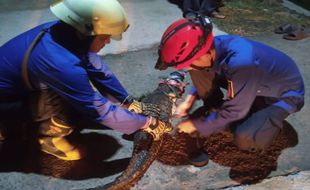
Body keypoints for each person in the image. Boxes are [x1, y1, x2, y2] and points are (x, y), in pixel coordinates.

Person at [0, 0, 170, 161]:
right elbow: (98, 109)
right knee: (69, 101)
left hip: (19, 87)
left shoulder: (64, 34)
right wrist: (147, 123)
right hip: (6, 101)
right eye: (104, 36)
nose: (108, 41)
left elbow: (99, 71)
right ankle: (48, 139)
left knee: (72, 92)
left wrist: (127, 101)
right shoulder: (59, 62)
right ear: (85, 33)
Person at [155, 16, 304, 166]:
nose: (188, 69)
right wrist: (189, 100)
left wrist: (196, 125)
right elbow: (203, 72)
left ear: (205, 54)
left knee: (245, 137)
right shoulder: (212, 47)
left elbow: (236, 110)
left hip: (282, 95)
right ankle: (216, 109)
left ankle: (265, 126)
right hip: (255, 81)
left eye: (188, 65)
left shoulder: (242, 63)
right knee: (199, 71)